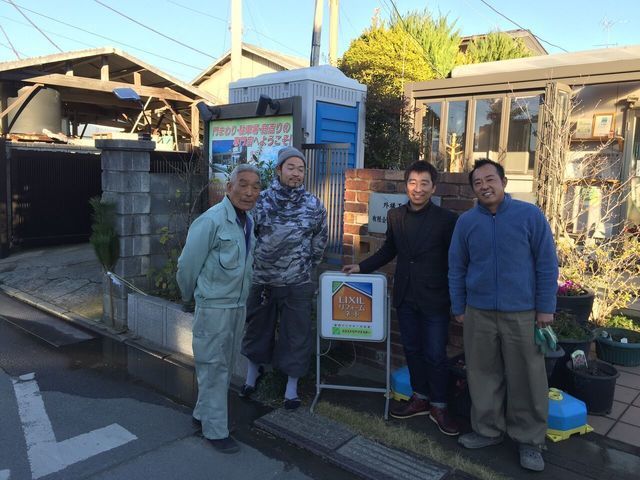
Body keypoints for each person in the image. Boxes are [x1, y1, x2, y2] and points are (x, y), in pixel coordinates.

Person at [448, 159, 558, 472]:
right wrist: (459, 307)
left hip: (522, 313)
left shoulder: (530, 216)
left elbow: (547, 263)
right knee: (482, 374)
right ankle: (488, 431)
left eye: (490, 179)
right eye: (478, 182)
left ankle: (530, 440)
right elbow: (456, 267)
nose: (484, 186)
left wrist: (545, 307)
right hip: (478, 312)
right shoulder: (467, 222)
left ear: (504, 182)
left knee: (528, 377)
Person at [342, 160, 459, 436]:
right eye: (413, 182)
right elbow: (388, 250)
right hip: (405, 296)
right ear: (406, 185)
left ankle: (439, 406)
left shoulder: (447, 219)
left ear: (433, 187)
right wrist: (361, 267)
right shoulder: (395, 216)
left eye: (424, 183)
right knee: (412, 350)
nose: (418, 189)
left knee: (435, 354)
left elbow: (456, 260)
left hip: (435, 298)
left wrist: (458, 298)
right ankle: (420, 397)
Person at [176, 164, 261, 454]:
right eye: (243, 185)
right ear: (229, 187)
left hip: (237, 307)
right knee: (213, 367)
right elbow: (187, 265)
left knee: (222, 367)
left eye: (255, 187)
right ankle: (215, 431)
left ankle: (203, 414)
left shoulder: (247, 221)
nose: (249, 192)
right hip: (214, 308)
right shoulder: (211, 221)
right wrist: (189, 297)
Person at [240, 146, 328, 410]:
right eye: (291, 168)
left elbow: (319, 241)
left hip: (297, 281)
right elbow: (249, 237)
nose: (296, 173)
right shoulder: (261, 201)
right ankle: (252, 373)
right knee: (256, 328)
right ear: (279, 170)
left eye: (301, 169)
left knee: (296, 334)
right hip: (262, 279)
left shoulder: (314, 205)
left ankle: (291, 387)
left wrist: (304, 266)